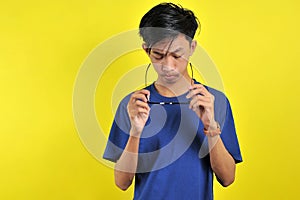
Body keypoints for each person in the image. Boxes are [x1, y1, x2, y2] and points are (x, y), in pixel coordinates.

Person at [103, 2, 242, 200]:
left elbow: (227, 178)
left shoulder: (214, 101)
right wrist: (135, 132)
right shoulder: (134, 105)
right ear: (146, 50)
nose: (168, 65)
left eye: (177, 55)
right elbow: (122, 182)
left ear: (192, 47)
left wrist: (210, 126)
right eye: (158, 55)